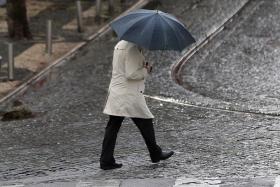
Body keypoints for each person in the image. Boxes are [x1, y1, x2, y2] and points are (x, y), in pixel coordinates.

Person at [100, 40, 174, 170]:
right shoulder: (132, 48)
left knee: (113, 126)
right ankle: (155, 153)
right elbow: (131, 74)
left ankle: (106, 160)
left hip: (117, 91)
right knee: (145, 121)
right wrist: (146, 70)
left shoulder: (120, 44)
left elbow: (123, 67)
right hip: (129, 94)